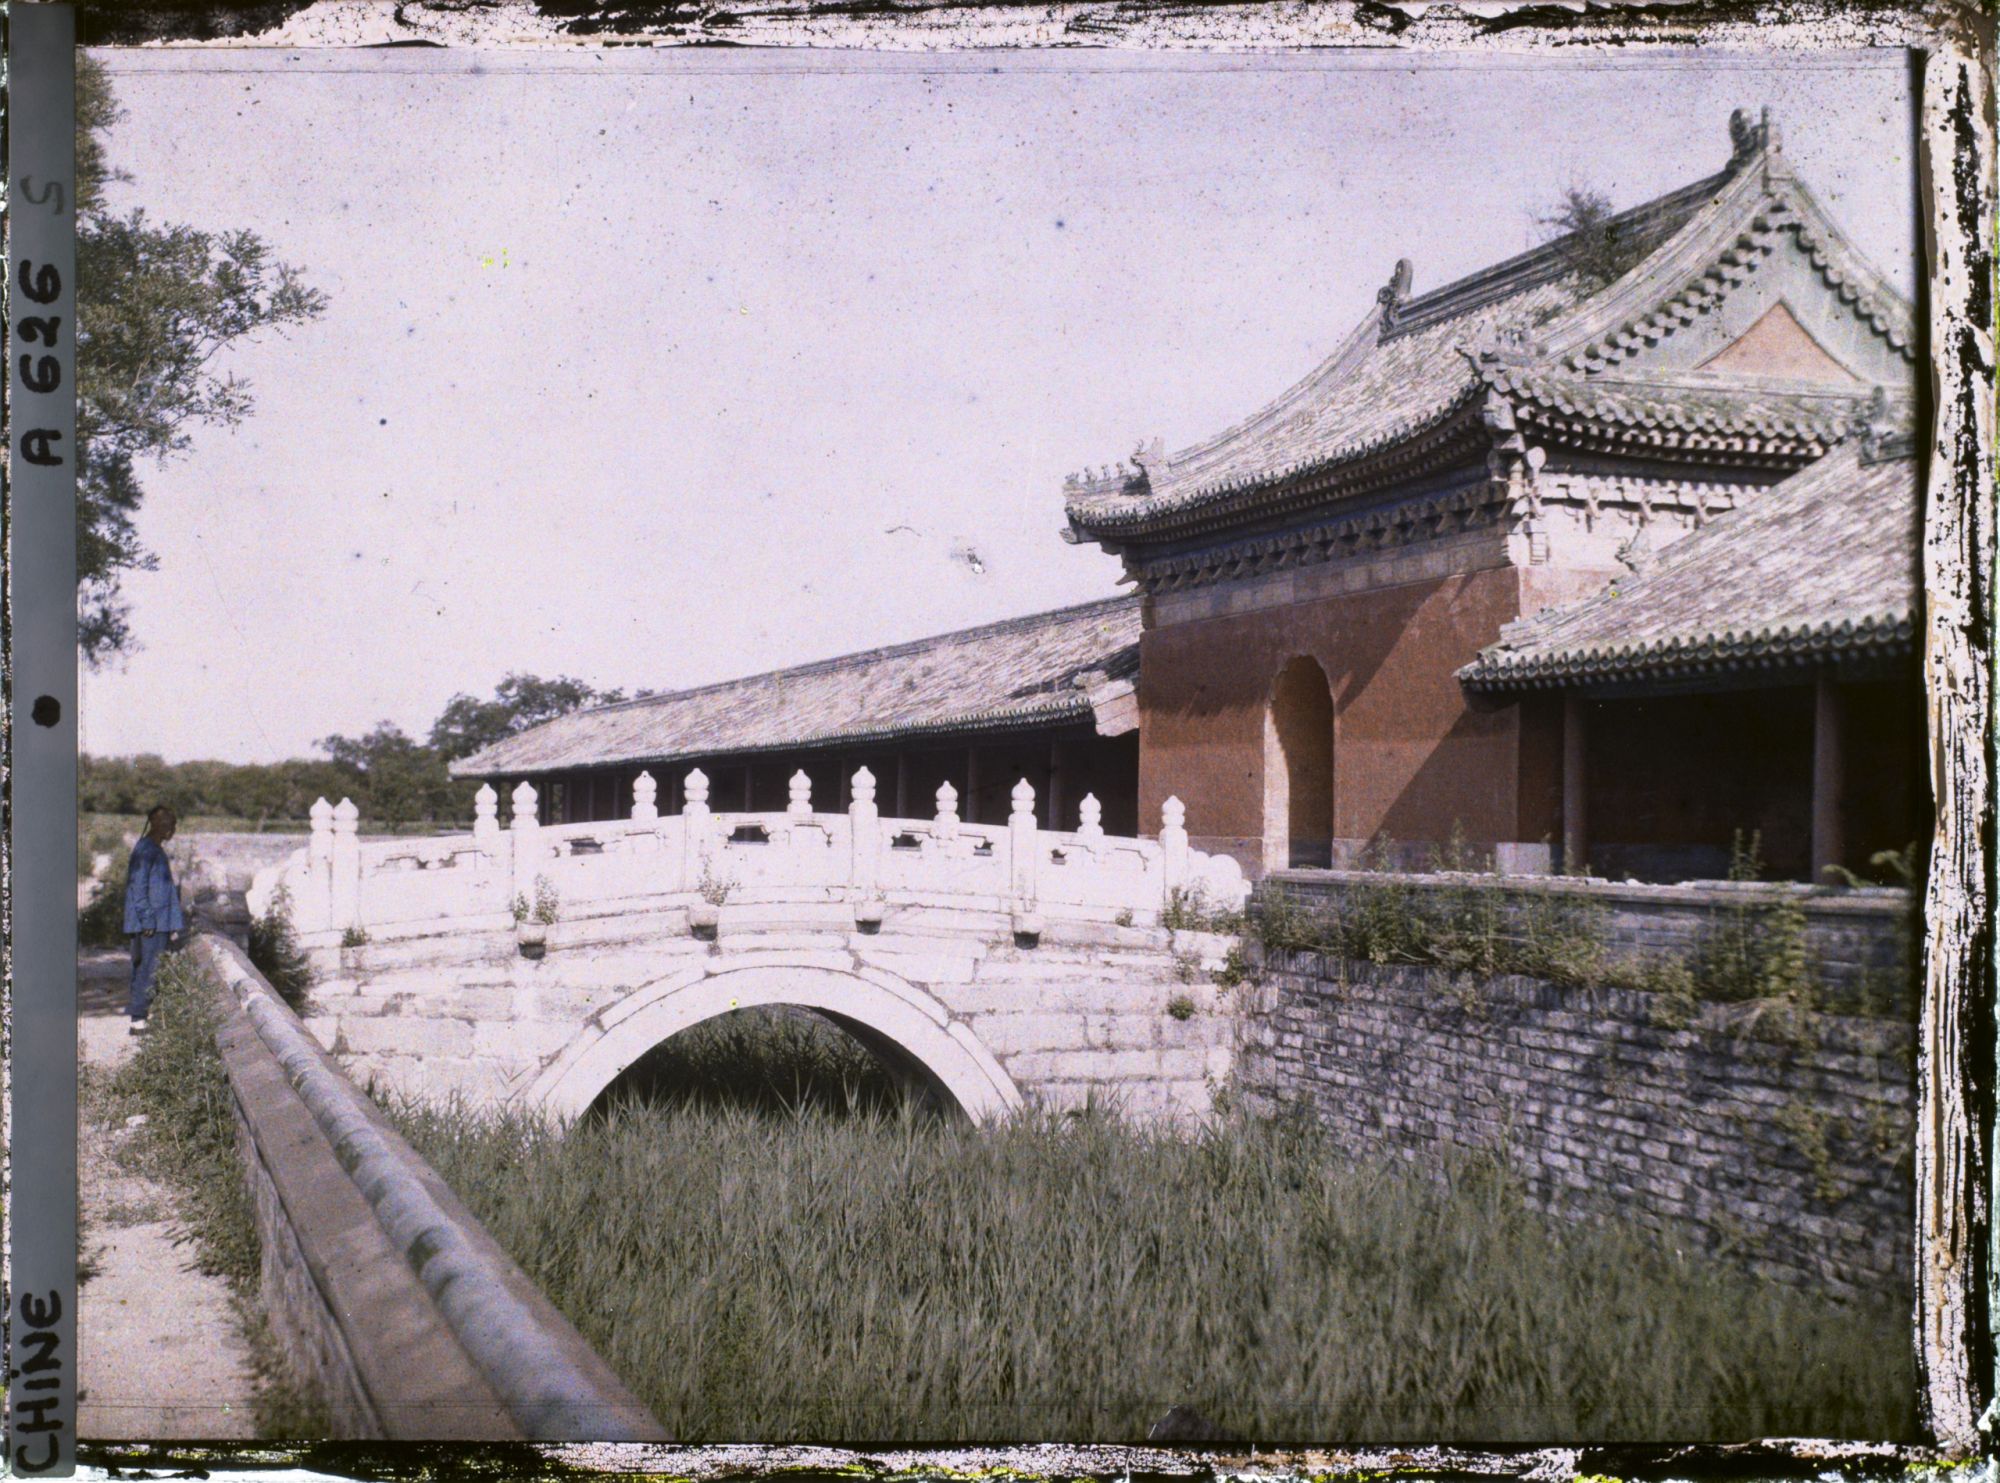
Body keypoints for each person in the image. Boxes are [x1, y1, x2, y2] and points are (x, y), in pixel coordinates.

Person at [123, 805, 185, 1032]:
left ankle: (140, 1018)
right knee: (150, 968)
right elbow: (138, 888)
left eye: (173, 824)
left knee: (147, 968)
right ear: (154, 824)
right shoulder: (147, 850)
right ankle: (138, 1021)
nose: (171, 829)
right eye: (167, 824)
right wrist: (148, 920)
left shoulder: (152, 848)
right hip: (151, 923)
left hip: (156, 921)